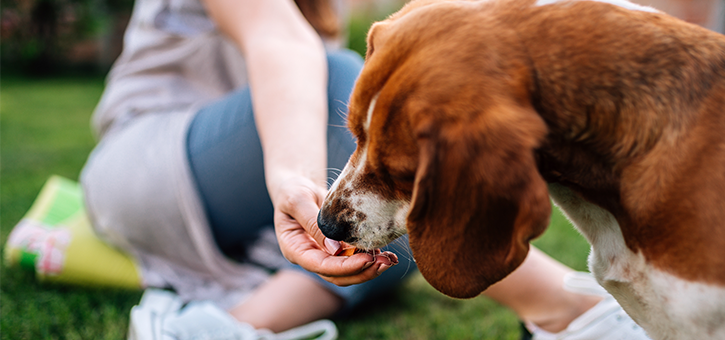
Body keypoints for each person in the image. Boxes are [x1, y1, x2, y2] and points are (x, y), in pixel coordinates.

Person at [78, 0, 650, 338]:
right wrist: (296, 183)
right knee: (350, 77)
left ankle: (220, 327)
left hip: (246, 189)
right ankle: (559, 304)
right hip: (150, 164)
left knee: (383, 236)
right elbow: (284, 46)